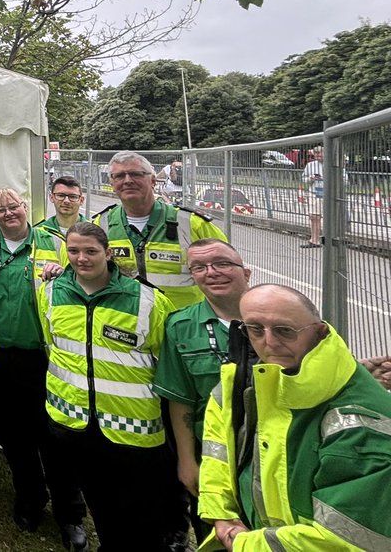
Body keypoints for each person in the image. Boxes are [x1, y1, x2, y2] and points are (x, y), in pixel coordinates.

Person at [199, 284, 391, 550]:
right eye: (255, 329)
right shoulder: (239, 383)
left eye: (284, 330)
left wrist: (241, 543)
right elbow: (217, 453)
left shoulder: (358, 419)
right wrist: (221, 515)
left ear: (320, 332)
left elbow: (346, 538)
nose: (269, 341)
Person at [39, 221, 175, 552]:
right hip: (76, 423)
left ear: (108, 253)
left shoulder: (147, 301)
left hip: (133, 430)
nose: (81, 258)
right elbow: (52, 344)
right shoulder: (51, 293)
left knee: (143, 516)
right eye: (74, 251)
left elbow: (168, 365)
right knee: (101, 505)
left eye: (91, 251)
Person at [0, 187, 84, 549]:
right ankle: (30, 497)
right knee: (13, 436)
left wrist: (64, 274)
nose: (8, 214)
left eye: (13, 207)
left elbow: (81, 284)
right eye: (0, 210)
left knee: (54, 436)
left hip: (46, 359)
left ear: (25, 207)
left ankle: (70, 514)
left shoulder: (54, 243)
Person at [153, 239, 252, 542]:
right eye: (199, 267)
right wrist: (186, 461)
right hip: (212, 461)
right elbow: (181, 399)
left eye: (222, 263)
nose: (211, 272)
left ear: (246, 272)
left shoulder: (277, 317)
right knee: (219, 536)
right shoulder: (180, 326)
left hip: (273, 456)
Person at [93, 151, 226, 311]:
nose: (127, 180)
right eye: (119, 176)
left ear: (153, 181)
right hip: (125, 322)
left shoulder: (192, 224)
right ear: (112, 184)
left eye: (136, 174)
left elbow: (228, 273)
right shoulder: (101, 224)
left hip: (182, 322)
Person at [37, 176, 86, 240]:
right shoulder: (37, 233)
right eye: (61, 195)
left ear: (81, 200)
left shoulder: (94, 232)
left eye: (73, 197)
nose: (66, 201)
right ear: (51, 198)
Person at [301, 145, 324, 247]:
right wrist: (311, 178)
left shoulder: (332, 164)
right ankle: (314, 239)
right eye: (316, 155)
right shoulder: (310, 165)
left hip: (327, 192)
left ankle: (323, 240)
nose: (318, 157)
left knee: (326, 218)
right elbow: (304, 179)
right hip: (315, 191)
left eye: (320, 155)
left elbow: (345, 180)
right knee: (314, 216)